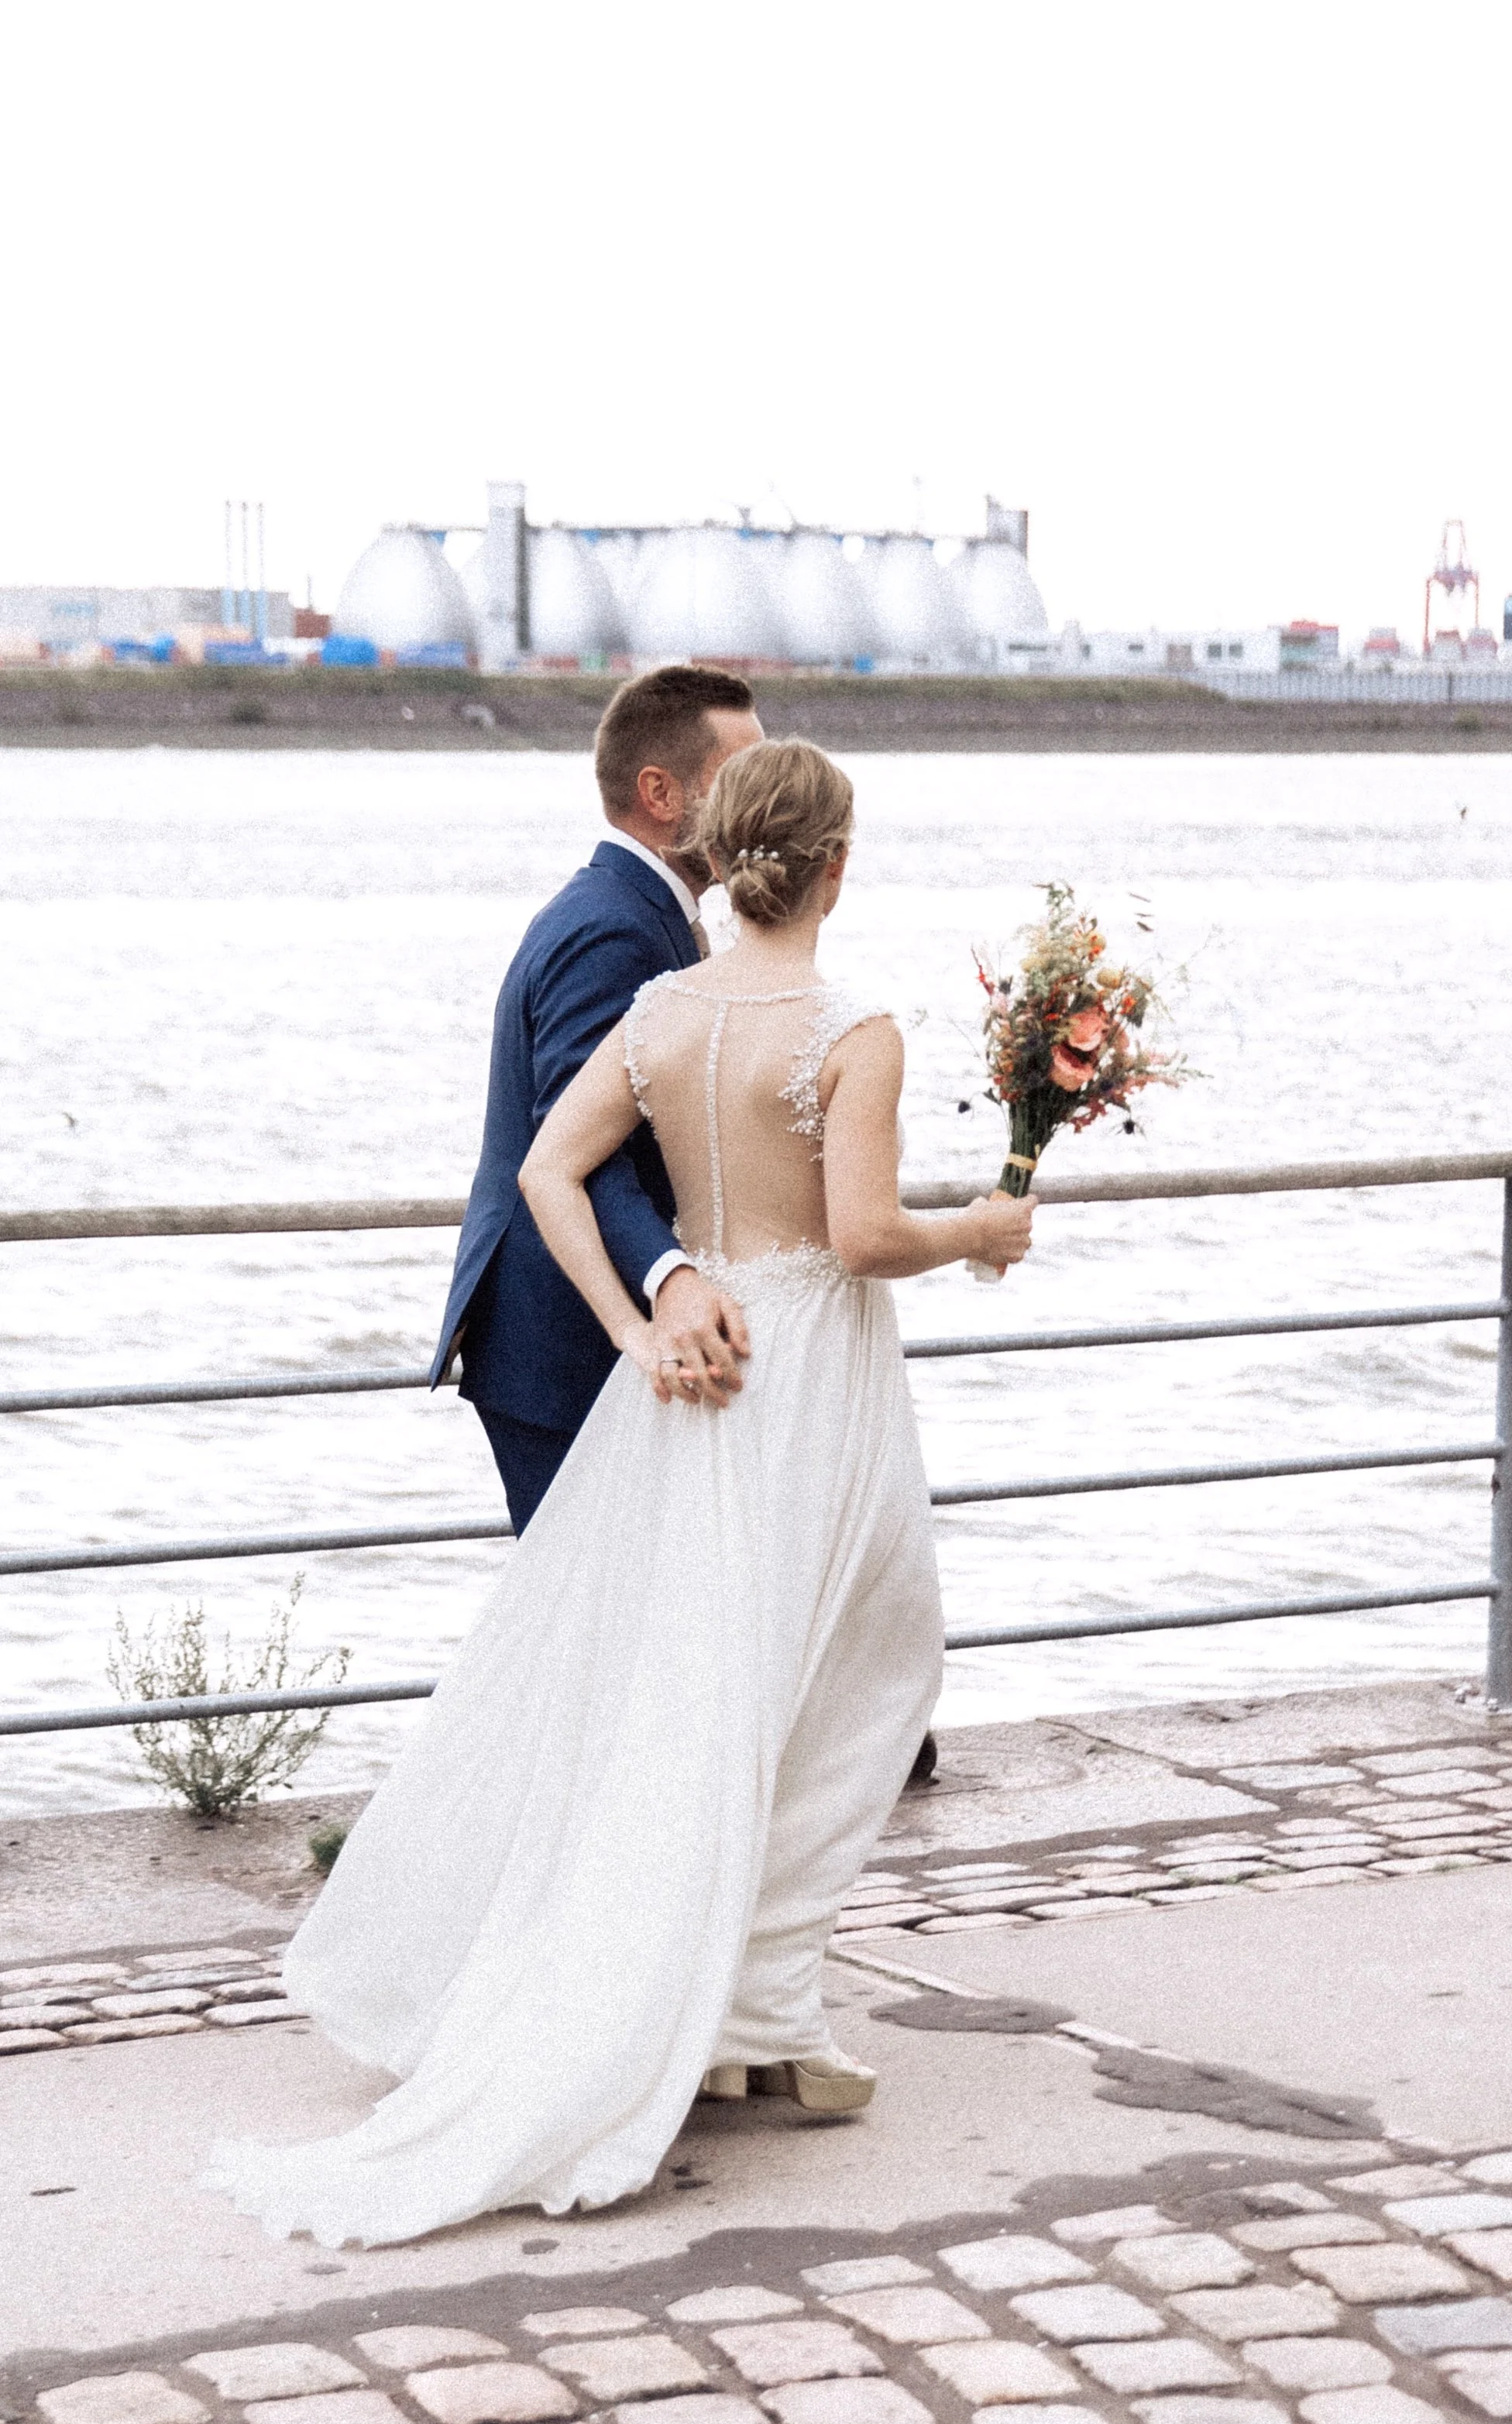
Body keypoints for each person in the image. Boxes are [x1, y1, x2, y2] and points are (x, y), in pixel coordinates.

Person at [204, 738, 1036, 2249]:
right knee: (866, 1660)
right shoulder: (857, 1028)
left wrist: (641, 1320)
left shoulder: (666, 1009)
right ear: (837, 864)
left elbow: (546, 1170)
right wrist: (977, 1224)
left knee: (725, 1682)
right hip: (812, 1375)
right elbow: (857, 1236)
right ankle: (751, 1996)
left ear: (729, 853)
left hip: (694, 1374)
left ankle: (757, 1996)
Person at [432, 663, 765, 1530]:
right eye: (741, 776)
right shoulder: (613, 928)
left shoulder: (640, 910)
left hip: (580, 1338)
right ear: (661, 792)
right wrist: (672, 1278)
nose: (761, 798)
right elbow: (582, 1149)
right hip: (562, 1343)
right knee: (585, 1641)